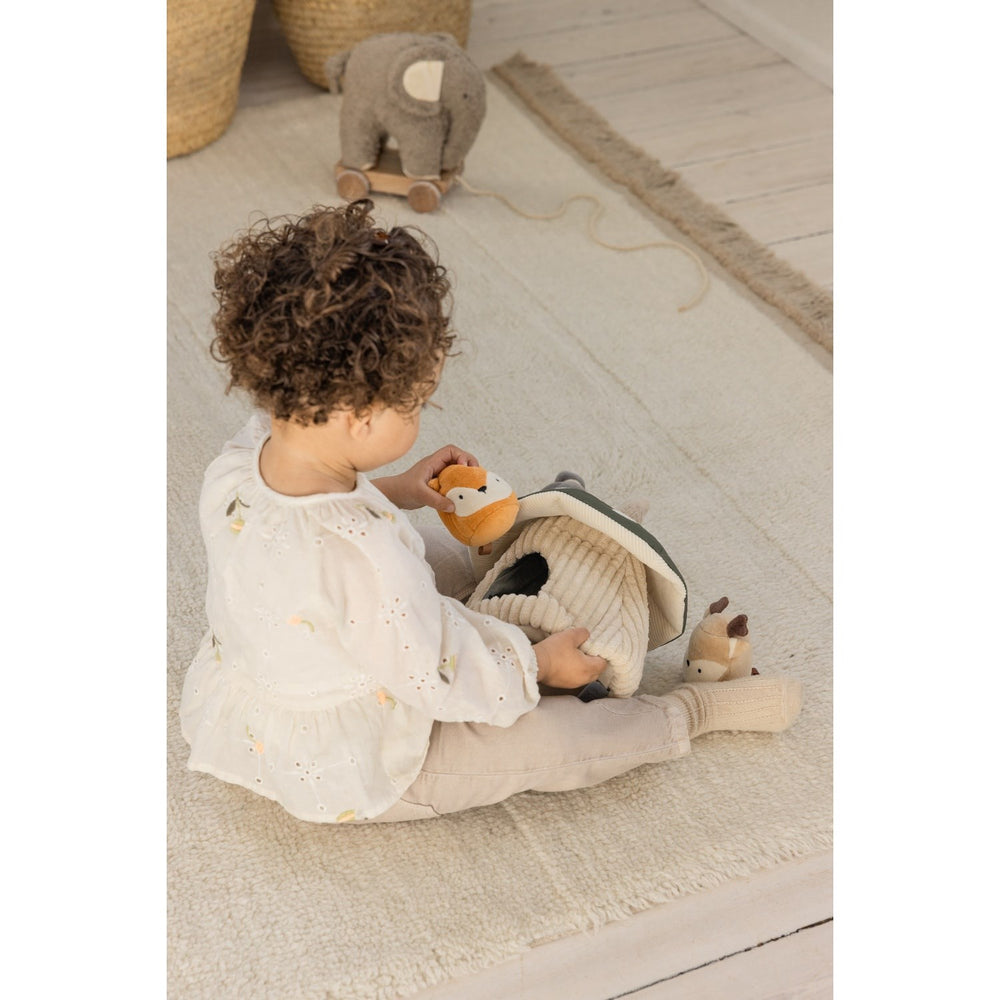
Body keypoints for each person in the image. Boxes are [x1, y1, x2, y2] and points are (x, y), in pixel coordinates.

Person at [179, 201, 802, 824]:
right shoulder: (367, 561)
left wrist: (397, 488)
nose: (423, 413)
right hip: (365, 752)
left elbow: (309, 527)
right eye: (417, 404)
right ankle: (692, 711)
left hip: (294, 647)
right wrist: (536, 666)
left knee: (440, 557)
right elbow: (435, 675)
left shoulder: (243, 458)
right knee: (548, 742)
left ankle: (509, 598)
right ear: (360, 418)